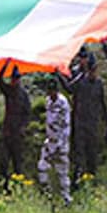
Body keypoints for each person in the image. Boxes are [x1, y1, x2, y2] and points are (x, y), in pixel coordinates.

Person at [65, 54, 107, 179]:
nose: (93, 73)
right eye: (91, 71)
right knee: (79, 152)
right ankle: (78, 177)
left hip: (93, 123)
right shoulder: (80, 82)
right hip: (80, 123)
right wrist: (58, 74)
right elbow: (68, 89)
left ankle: (92, 177)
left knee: (92, 152)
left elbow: (103, 104)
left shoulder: (99, 84)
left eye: (95, 70)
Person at [37, 76, 72, 204]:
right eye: (49, 90)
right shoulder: (48, 101)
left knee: (62, 172)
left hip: (61, 143)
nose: (51, 93)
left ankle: (66, 199)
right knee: (42, 167)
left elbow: (66, 125)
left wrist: (60, 144)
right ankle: (47, 195)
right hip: (50, 141)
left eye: (53, 91)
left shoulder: (63, 103)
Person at [0, 58, 32, 181]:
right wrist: (5, 65)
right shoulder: (9, 91)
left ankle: (18, 186)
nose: (15, 81)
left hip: (18, 133)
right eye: (13, 78)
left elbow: (28, 113)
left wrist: (23, 127)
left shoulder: (24, 95)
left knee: (18, 163)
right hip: (7, 132)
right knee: (4, 162)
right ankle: (3, 185)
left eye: (17, 78)